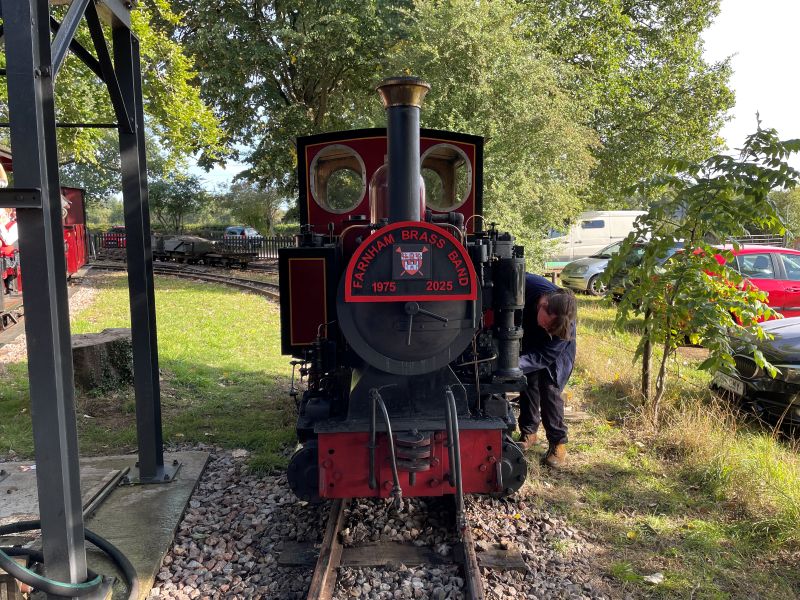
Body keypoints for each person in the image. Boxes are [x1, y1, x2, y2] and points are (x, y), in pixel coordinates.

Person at [517, 273, 577, 468]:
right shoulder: (527, 285)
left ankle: (558, 443)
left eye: (551, 327)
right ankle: (529, 432)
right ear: (543, 305)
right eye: (547, 324)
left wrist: (512, 364)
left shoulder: (561, 327)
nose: (547, 328)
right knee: (527, 382)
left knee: (550, 387)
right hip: (527, 334)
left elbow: (543, 357)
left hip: (554, 350)